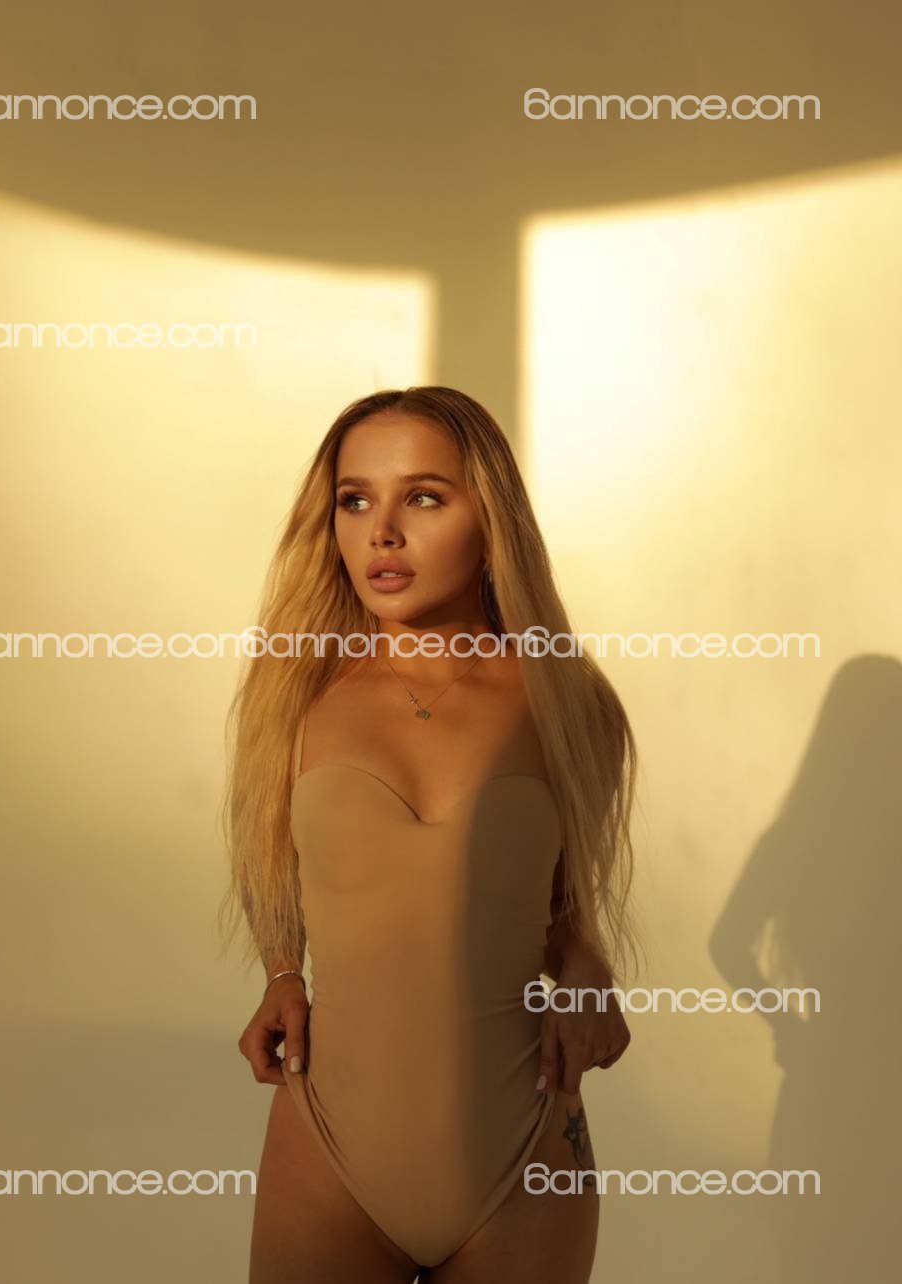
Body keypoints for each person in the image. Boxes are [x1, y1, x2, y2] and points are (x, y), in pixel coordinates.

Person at [220, 386, 639, 1282]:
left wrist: (588, 969)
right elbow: (272, 869)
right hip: (326, 1149)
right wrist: (283, 972)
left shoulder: (568, 703)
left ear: (491, 521)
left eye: (422, 497)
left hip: (525, 1151)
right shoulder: (296, 694)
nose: (382, 532)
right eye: (355, 499)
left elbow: (564, 907)